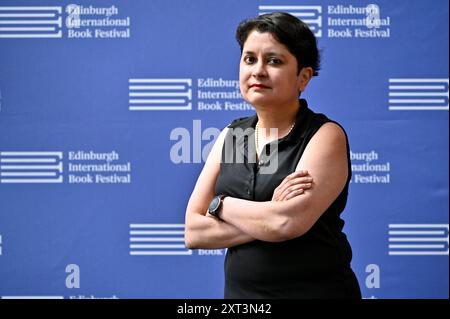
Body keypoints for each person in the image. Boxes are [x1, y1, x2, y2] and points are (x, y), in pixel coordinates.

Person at [185, 12, 361, 299]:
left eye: (274, 61)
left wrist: (220, 204)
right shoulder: (233, 134)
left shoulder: (325, 135)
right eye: (249, 59)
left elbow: (286, 223)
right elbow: (194, 231)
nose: (258, 71)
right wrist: (269, 216)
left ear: (303, 77)